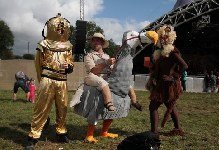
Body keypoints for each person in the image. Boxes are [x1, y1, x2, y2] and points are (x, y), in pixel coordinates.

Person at [83, 32, 144, 143]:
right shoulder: (89, 56)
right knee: (97, 105)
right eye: (94, 40)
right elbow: (93, 70)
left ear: (102, 43)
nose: (96, 42)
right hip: (95, 79)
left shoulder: (107, 56)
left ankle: (134, 101)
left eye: (98, 40)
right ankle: (89, 134)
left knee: (127, 84)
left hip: (109, 80)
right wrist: (106, 63)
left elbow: (113, 70)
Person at [24, 13, 74, 150]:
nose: (61, 30)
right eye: (58, 27)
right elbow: (38, 63)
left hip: (62, 81)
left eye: (63, 28)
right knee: (41, 108)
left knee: (63, 108)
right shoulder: (43, 44)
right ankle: (33, 136)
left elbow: (71, 63)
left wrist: (69, 67)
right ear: (51, 28)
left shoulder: (68, 46)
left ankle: (61, 132)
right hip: (47, 79)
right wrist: (42, 80)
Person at [146, 24, 188, 136]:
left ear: (169, 38)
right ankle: (178, 129)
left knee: (153, 106)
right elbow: (158, 69)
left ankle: (154, 132)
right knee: (170, 106)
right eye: (161, 37)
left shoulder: (173, 52)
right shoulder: (161, 54)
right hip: (161, 84)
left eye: (165, 37)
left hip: (168, 85)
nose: (162, 39)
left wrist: (173, 77)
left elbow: (184, 66)